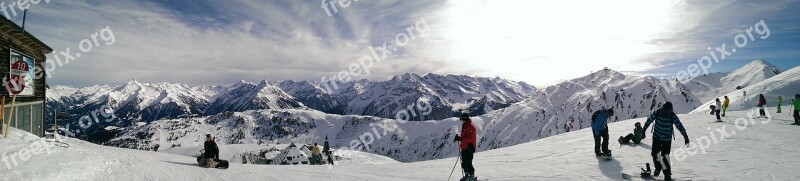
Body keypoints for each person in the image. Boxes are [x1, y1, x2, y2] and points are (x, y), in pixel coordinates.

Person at [642, 102, 689, 181]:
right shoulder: (658, 113)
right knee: (654, 154)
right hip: (657, 137)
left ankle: (667, 175)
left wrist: (685, 136)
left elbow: (679, 126)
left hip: (666, 140)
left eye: (668, 112)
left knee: (665, 157)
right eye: (665, 111)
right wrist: (643, 130)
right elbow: (649, 120)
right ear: (663, 109)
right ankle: (658, 168)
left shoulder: (672, 116)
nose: (667, 113)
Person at [453, 113, 477, 181]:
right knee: (464, 162)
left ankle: (472, 177)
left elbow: (471, 138)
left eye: (463, 120)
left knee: (468, 162)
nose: (462, 121)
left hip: (469, 147)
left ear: (465, 119)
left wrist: (461, 139)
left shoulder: (470, 127)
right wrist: (459, 138)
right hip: (465, 147)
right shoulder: (465, 126)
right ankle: (467, 176)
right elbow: (465, 137)